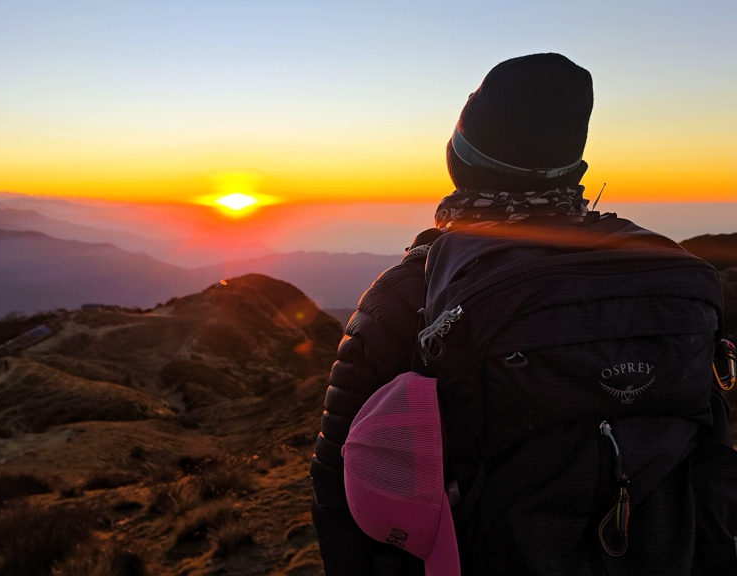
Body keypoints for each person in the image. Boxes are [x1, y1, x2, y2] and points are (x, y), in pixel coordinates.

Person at [309, 53, 735, 575]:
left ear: (462, 159)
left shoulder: (411, 293)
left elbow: (341, 481)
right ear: (573, 164)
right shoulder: (670, 274)